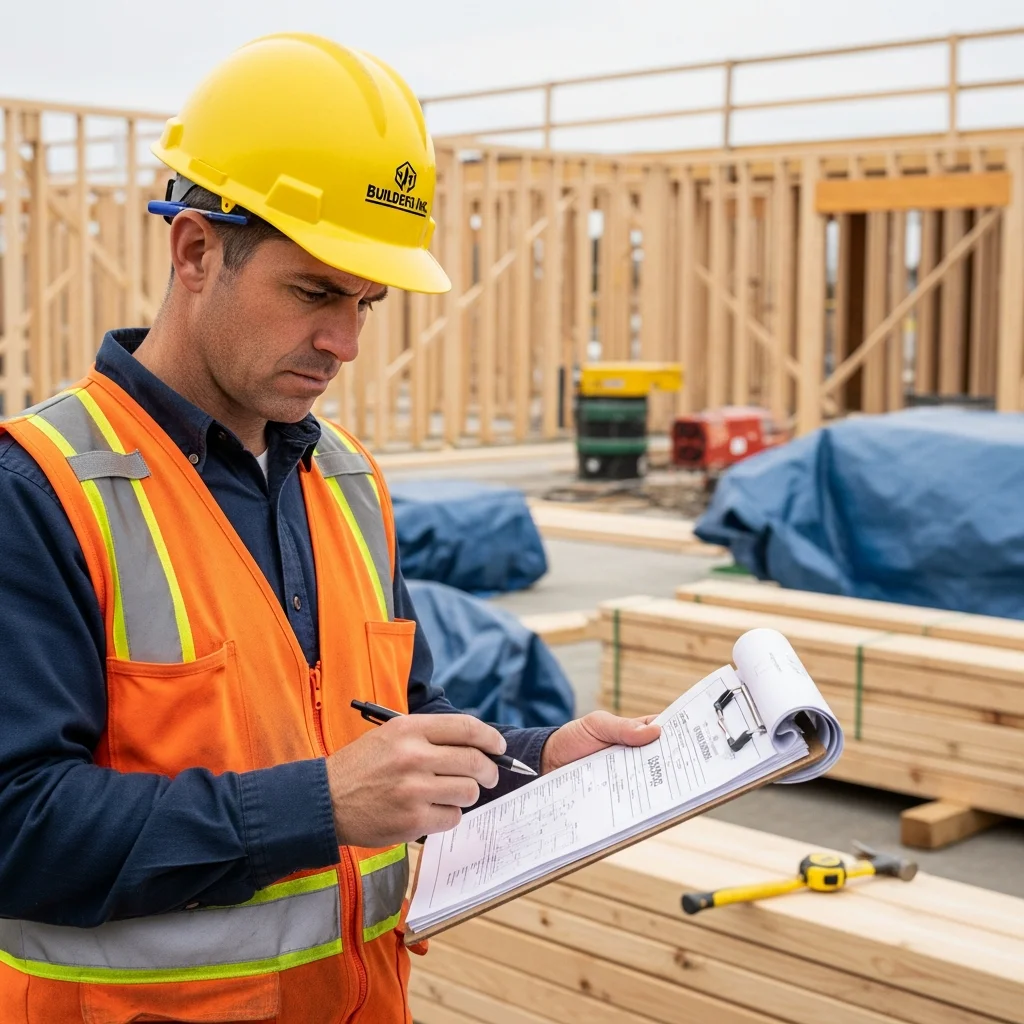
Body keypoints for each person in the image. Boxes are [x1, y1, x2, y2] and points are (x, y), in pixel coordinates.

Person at [0, 32, 660, 1024]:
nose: (343, 343)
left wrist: (535, 761)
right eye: (313, 291)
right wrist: (317, 804)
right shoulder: (40, 487)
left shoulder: (344, 481)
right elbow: (17, 825)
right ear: (195, 251)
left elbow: (398, 737)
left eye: (365, 301)